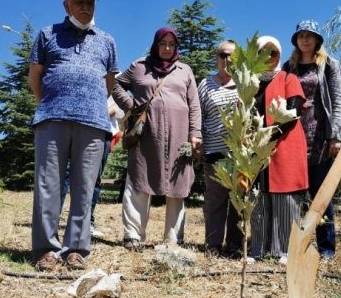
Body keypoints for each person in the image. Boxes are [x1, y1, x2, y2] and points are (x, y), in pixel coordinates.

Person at [28, 0, 118, 272]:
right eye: (80, 2)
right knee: (48, 185)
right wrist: (52, 104)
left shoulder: (107, 40)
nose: (85, 7)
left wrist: (88, 103)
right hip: (52, 118)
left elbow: (109, 83)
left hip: (93, 122)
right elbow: (35, 78)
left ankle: (76, 250)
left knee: (84, 188)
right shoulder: (47, 35)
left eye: (90, 2)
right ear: (67, 4)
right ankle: (46, 251)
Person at [112, 27, 202, 250]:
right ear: (155, 44)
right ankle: (133, 235)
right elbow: (114, 84)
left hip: (179, 135)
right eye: (163, 43)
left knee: (178, 183)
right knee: (139, 178)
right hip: (146, 135)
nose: (167, 48)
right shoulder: (139, 66)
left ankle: (173, 238)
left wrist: (195, 134)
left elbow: (194, 105)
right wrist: (130, 105)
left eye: (171, 44)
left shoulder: (184, 70)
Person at [283, 20, 341, 258]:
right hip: (293, 136)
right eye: (301, 36)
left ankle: (326, 248)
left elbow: (337, 101)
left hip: (320, 137)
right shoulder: (289, 67)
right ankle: (294, 246)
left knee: (321, 194)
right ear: (296, 41)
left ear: (317, 39)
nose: (305, 39)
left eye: (309, 35)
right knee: (293, 195)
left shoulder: (329, 65)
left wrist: (336, 136)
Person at [248, 36, 308, 265]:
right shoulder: (251, 84)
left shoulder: (288, 79)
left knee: (285, 200)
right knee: (259, 198)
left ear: (279, 55)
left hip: (284, 145)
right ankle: (258, 248)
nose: (269, 58)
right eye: (263, 53)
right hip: (257, 147)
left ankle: (285, 250)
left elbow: (292, 113)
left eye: (273, 53)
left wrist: (269, 135)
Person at [198, 40, 243, 257]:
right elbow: (197, 115)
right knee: (215, 200)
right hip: (214, 151)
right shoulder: (205, 84)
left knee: (237, 201)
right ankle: (213, 245)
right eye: (223, 55)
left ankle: (234, 245)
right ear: (217, 58)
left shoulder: (244, 84)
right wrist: (197, 141)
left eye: (232, 56)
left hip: (239, 153)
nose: (227, 60)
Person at [60, 95, 124, 238]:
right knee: (64, 174)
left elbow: (121, 109)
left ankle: (86, 222)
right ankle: (52, 220)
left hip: (103, 131)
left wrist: (100, 113)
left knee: (93, 179)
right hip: (74, 126)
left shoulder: (116, 78)